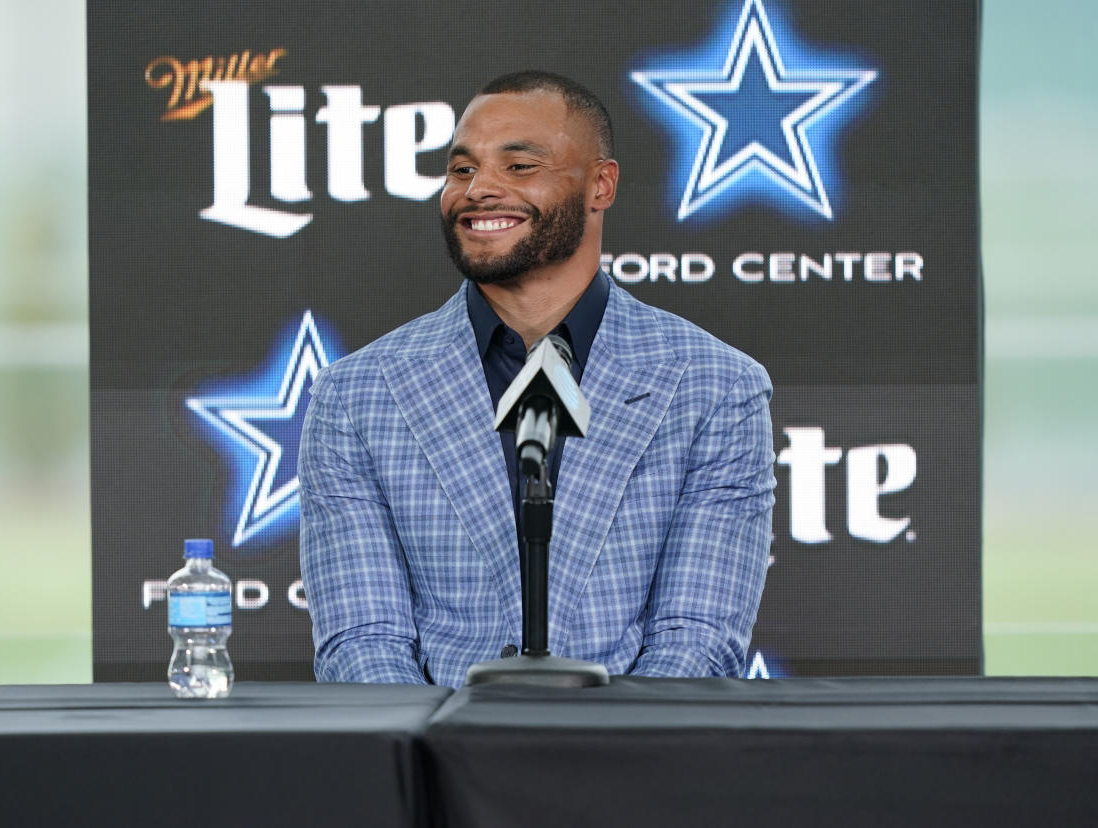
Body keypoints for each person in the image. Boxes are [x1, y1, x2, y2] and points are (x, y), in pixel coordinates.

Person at [299, 70, 774, 689]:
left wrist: (590, 769)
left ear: (600, 185)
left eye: (520, 166)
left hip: (631, 771)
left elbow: (697, 643)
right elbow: (362, 645)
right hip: (438, 769)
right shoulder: (355, 396)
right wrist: (452, 766)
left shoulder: (716, 387)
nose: (479, 190)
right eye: (462, 169)